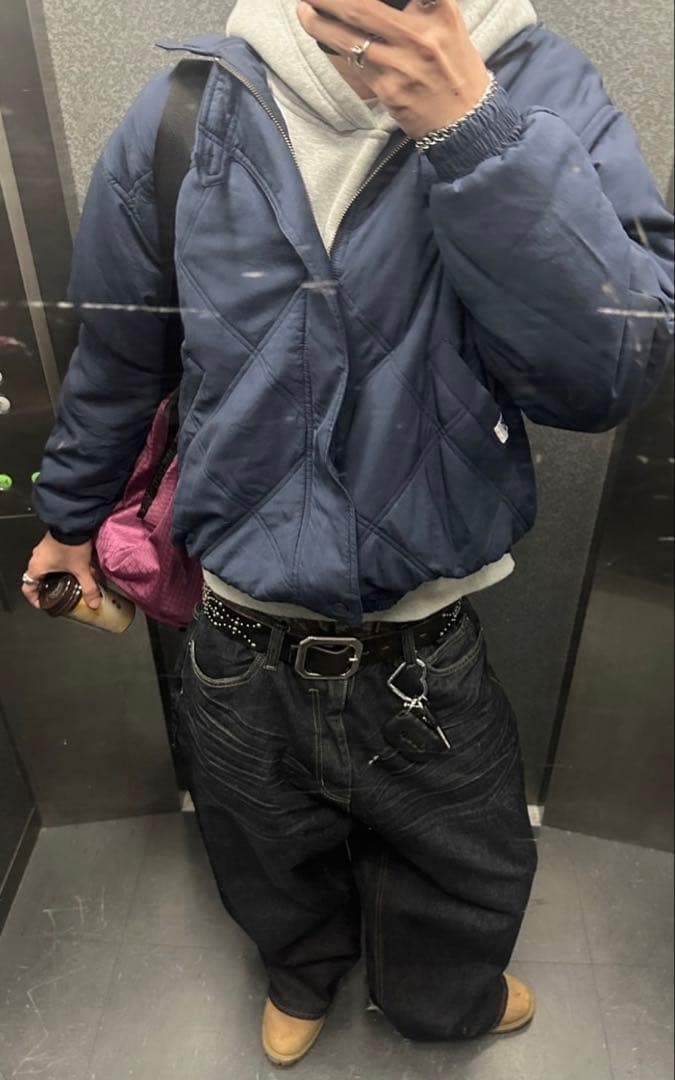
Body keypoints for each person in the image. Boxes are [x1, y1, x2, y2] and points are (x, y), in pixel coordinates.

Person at [22, 0, 673, 1067]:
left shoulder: (540, 88)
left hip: (424, 641)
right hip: (235, 636)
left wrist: (475, 133)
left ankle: (442, 998)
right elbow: (120, 359)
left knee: (464, 859)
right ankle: (302, 971)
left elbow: (606, 378)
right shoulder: (187, 109)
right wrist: (68, 519)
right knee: (261, 843)